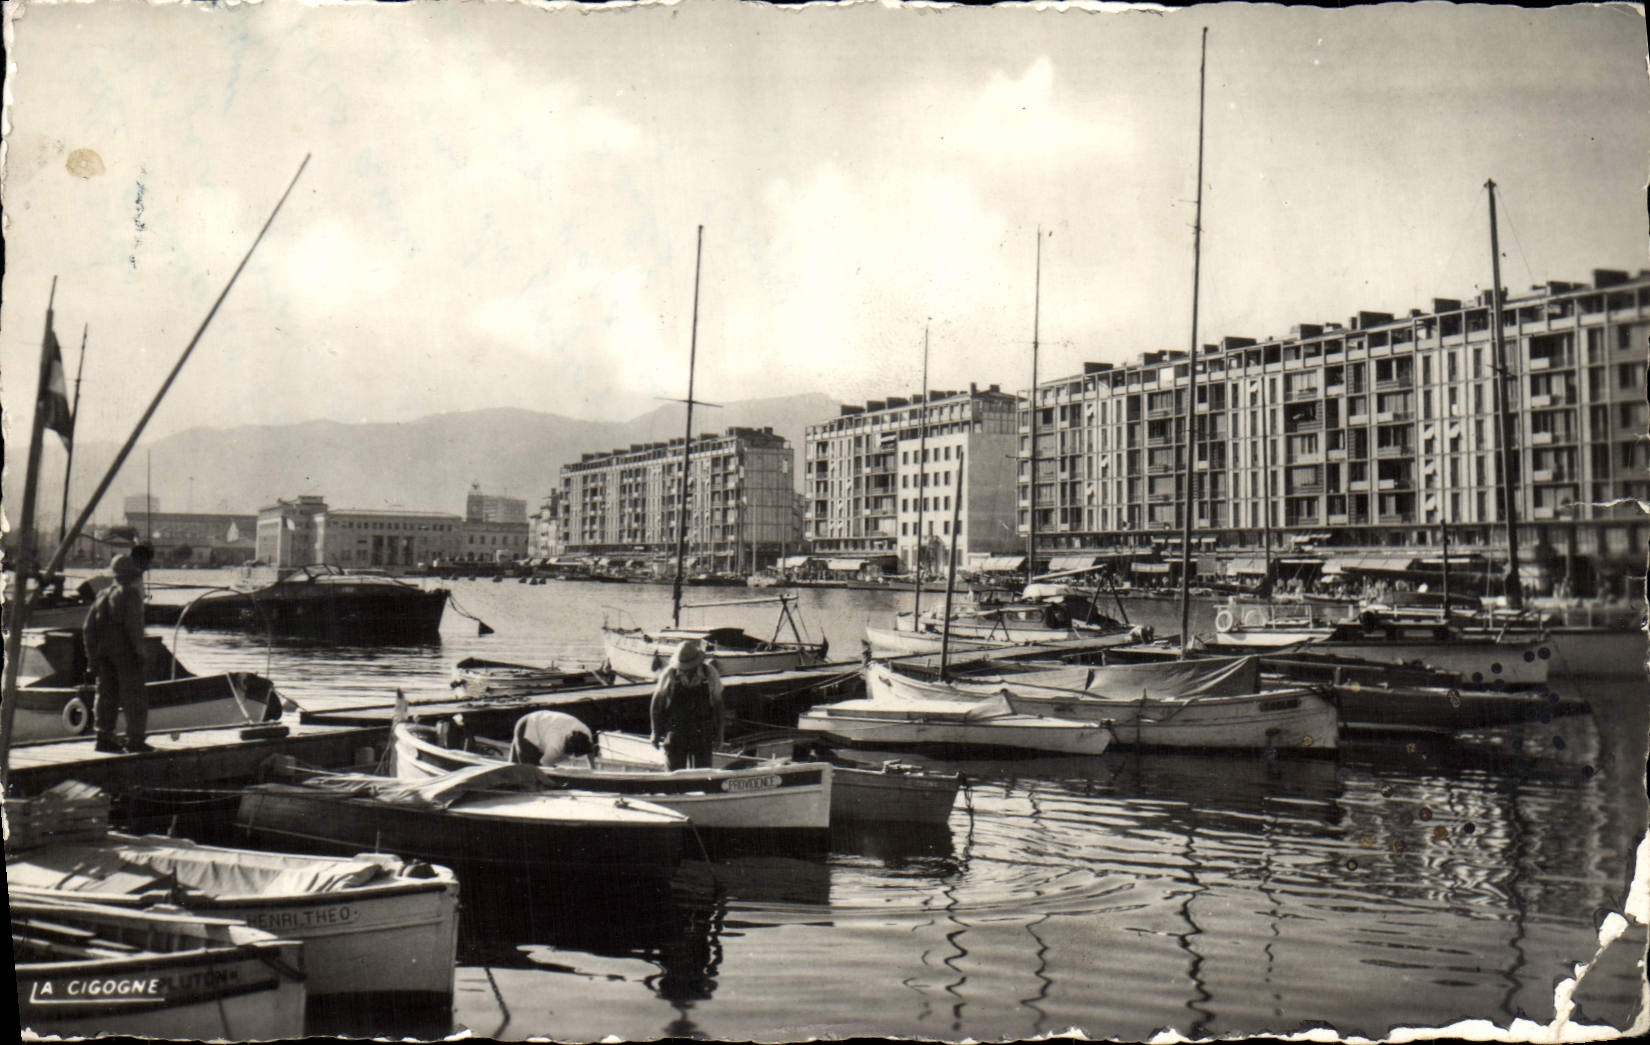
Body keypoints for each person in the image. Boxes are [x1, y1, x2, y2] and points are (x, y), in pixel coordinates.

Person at [82, 553, 152, 754]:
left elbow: (88, 628)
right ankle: (135, 740)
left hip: (104, 653)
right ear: (131, 575)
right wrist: (140, 652)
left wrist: (91, 658)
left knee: (105, 695)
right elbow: (133, 627)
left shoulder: (102, 595)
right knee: (134, 696)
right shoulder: (130, 595)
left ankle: (103, 737)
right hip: (125, 653)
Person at [649, 639, 725, 770]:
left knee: (702, 774)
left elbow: (719, 705)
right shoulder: (669, 674)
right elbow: (656, 705)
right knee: (674, 776)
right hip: (676, 730)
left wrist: (720, 734)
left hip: (702, 730)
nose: (687, 670)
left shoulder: (710, 673)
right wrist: (655, 732)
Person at [509, 709, 597, 767]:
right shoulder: (555, 746)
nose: (572, 756)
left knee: (513, 764)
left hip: (542, 721)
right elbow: (544, 765)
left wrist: (592, 768)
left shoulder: (586, 732)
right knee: (529, 769)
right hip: (527, 726)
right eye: (572, 753)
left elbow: (590, 750)